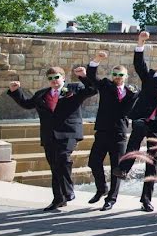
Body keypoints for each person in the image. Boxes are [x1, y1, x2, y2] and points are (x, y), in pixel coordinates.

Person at [7, 66, 97, 211]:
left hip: (69, 132)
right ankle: (58, 199)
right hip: (49, 134)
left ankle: (68, 191)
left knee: (63, 157)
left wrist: (84, 76)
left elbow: (93, 89)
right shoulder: (42, 94)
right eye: (51, 78)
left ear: (63, 78)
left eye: (57, 77)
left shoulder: (74, 88)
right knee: (54, 166)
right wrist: (15, 91)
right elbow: (27, 104)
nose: (54, 81)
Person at [119, 30, 157, 212]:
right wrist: (141, 42)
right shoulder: (151, 76)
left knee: (153, 162)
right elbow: (139, 64)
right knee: (134, 143)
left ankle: (146, 199)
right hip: (142, 119)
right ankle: (124, 169)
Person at [82, 50, 138, 211]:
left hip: (119, 134)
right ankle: (101, 188)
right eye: (115, 74)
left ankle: (111, 199)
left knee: (117, 168)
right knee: (93, 161)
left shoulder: (131, 93)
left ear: (125, 76)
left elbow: (127, 110)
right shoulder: (106, 85)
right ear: (112, 75)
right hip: (103, 131)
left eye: (121, 74)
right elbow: (92, 77)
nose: (118, 76)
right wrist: (96, 60)